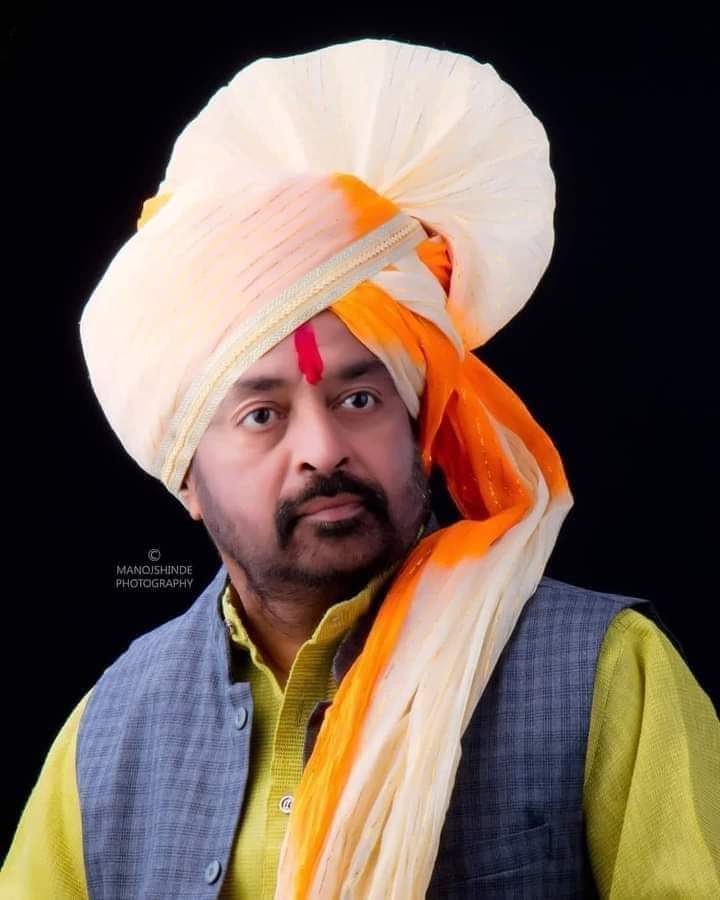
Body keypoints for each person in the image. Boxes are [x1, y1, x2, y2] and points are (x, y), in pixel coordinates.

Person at [2, 38, 718, 900]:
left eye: (360, 397)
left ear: (420, 421)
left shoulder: (606, 673)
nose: (323, 448)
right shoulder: (110, 733)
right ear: (185, 478)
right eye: (262, 415)